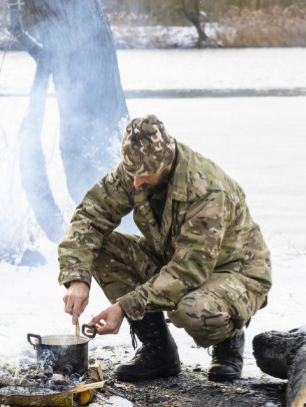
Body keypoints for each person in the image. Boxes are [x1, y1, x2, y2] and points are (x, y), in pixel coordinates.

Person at [58, 115, 273, 382]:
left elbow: (187, 272)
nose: (135, 183)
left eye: (144, 176)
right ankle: (159, 351)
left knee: (192, 310)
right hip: (175, 259)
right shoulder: (139, 168)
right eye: (132, 174)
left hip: (234, 273)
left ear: (167, 162)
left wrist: (124, 307)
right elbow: (89, 217)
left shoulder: (207, 189)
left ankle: (228, 337)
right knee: (100, 249)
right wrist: (77, 279)